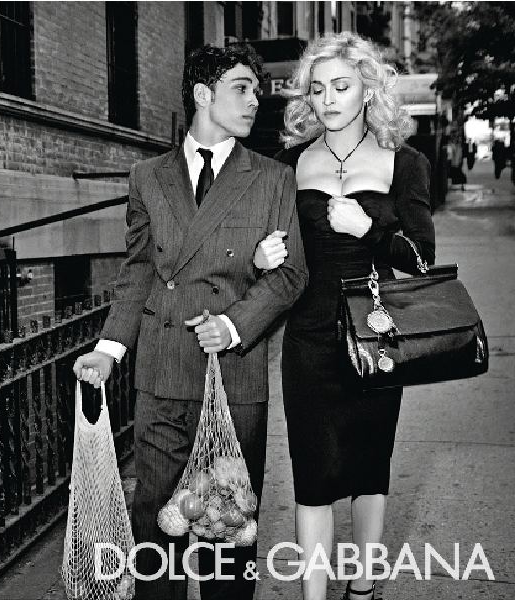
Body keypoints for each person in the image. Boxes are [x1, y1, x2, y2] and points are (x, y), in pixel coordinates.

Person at [73, 43, 308, 600]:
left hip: (234, 375)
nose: (254, 100)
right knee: (155, 522)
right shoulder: (147, 176)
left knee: (230, 526)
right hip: (162, 372)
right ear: (203, 94)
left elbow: (291, 275)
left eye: (256, 90)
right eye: (241, 88)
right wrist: (110, 348)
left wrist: (233, 325)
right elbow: (137, 272)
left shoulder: (273, 178)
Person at [268, 32, 436, 600]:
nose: (328, 99)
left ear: (368, 90)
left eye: (341, 86)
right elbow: (278, 252)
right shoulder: (290, 165)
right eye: (317, 89)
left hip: (375, 335)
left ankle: (362, 588)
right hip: (309, 337)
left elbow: (421, 258)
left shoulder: (404, 163)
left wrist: (370, 229)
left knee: (369, 466)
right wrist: (266, 255)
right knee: (311, 474)